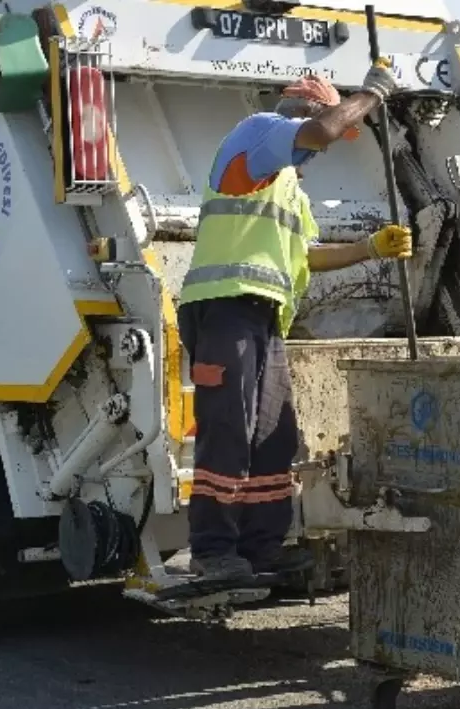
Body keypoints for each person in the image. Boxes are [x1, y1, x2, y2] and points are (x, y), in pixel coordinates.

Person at [177, 63, 414, 583]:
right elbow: (322, 131)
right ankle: (212, 549)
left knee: (273, 436)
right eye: (321, 139)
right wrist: (372, 91)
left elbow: (306, 255)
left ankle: (262, 548)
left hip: (262, 317)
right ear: (305, 113)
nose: (321, 152)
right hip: (225, 307)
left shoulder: (286, 186)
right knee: (227, 431)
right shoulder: (258, 133)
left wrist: (370, 249)